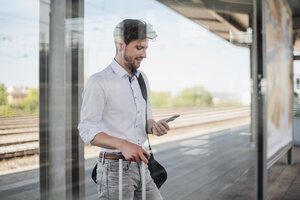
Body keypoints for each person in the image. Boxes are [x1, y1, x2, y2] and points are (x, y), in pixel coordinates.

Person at [78, 19, 170, 199]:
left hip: (142, 166)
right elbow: (87, 129)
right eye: (139, 48)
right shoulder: (99, 82)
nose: (144, 55)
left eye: (145, 48)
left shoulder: (141, 79)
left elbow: (147, 117)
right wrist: (123, 144)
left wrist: (153, 127)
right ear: (121, 44)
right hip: (115, 170)